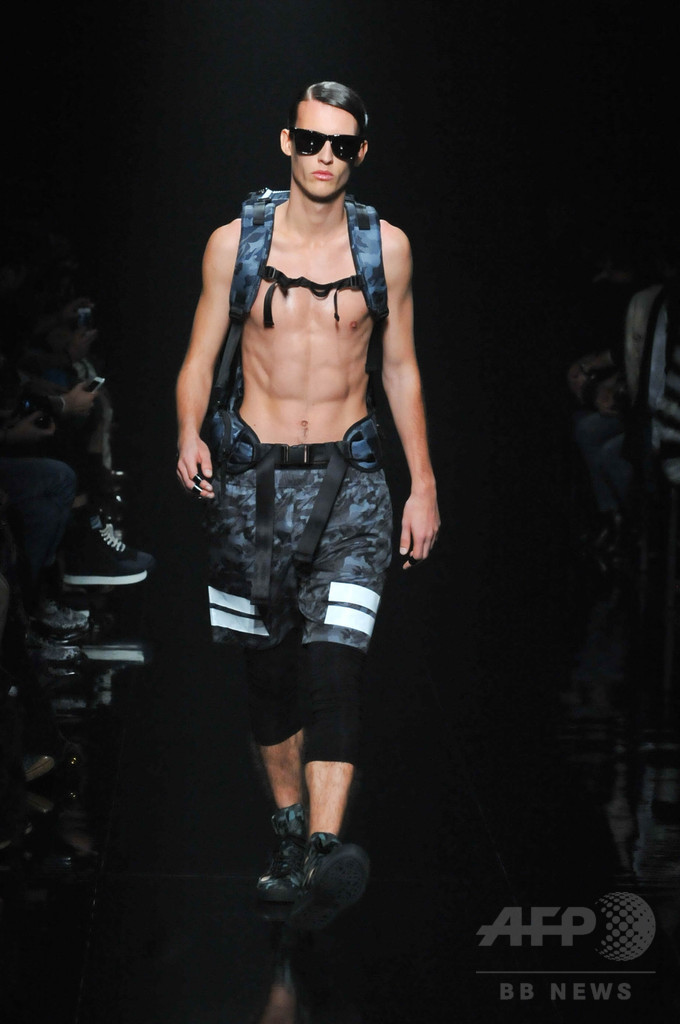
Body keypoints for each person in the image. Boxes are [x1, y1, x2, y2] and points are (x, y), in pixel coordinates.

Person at [176, 81, 440, 929]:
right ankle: (288, 837)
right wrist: (188, 433)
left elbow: (400, 366)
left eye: (342, 144)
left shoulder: (386, 248)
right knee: (268, 673)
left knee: (335, 665)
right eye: (311, 139)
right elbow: (199, 355)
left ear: (360, 153)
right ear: (286, 141)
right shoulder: (234, 243)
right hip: (250, 487)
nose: (325, 156)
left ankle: (324, 852)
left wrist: (424, 482)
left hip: (353, 481)